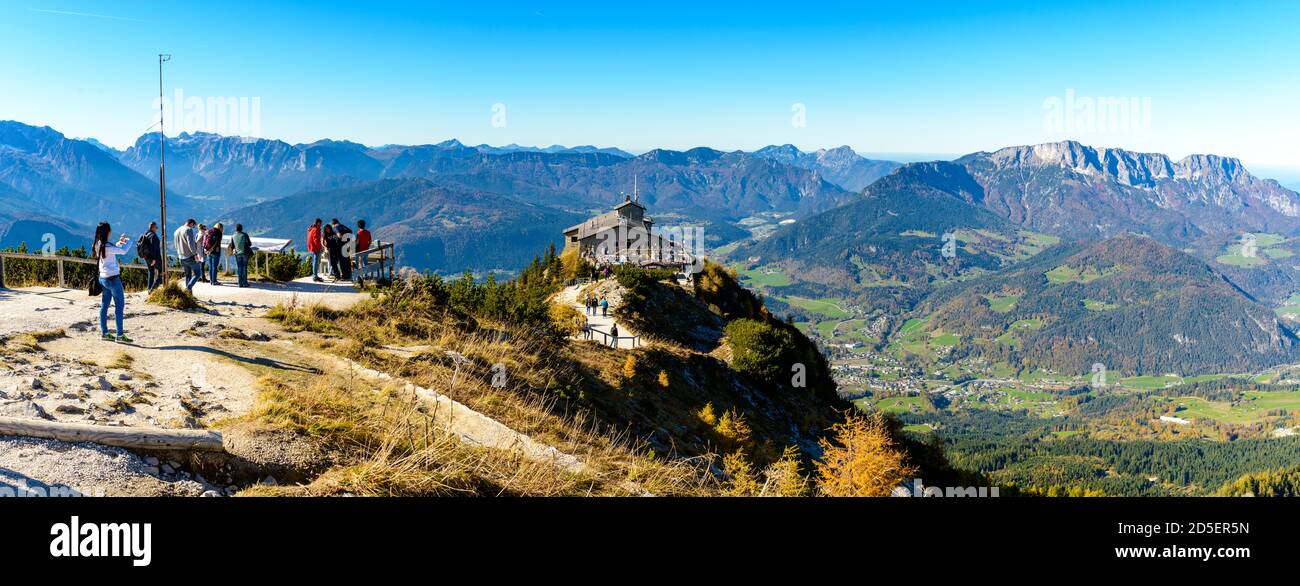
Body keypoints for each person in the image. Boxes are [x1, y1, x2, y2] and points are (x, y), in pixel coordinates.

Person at [93, 222, 133, 343]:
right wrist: (128, 241)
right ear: (108, 232)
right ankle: (120, 335)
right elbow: (123, 251)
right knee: (119, 307)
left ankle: (105, 332)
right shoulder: (108, 247)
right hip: (113, 279)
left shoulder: (97, 244)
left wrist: (119, 243)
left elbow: (110, 251)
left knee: (104, 305)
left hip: (103, 278)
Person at [174, 219, 202, 291]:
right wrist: (195, 254)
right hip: (189, 256)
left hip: (181, 256)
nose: (193, 227)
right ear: (191, 223)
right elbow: (191, 244)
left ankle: (189, 294)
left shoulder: (177, 230)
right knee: (198, 274)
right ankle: (188, 288)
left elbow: (175, 244)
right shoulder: (188, 230)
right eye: (193, 226)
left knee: (188, 275)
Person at [136, 221, 163, 292]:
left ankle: (149, 288)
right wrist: (154, 259)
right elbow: (153, 248)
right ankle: (152, 289)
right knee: (162, 272)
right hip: (154, 258)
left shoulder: (146, 234)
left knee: (151, 272)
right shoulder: (153, 236)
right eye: (156, 227)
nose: (157, 229)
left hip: (146, 257)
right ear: (153, 227)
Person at [229, 223, 254, 288]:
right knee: (244, 268)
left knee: (239, 268)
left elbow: (232, 246)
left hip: (237, 254)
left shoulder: (233, 236)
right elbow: (249, 244)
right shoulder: (244, 235)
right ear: (241, 228)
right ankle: (245, 283)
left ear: (235, 229)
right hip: (245, 253)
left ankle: (240, 283)